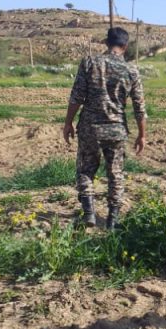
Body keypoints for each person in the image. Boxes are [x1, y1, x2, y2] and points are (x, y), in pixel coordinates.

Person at [63, 27, 147, 229]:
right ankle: (112, 219)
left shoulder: (90, 62)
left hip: (90, 127)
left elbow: (77, 97)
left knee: (85, 169)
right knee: (115, 173)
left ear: (106, 43)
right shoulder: (131, 70)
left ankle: (89, 213)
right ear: (125, 47)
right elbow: (139, 106)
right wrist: (142, 135)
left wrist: (68, 123)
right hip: (116, 129)